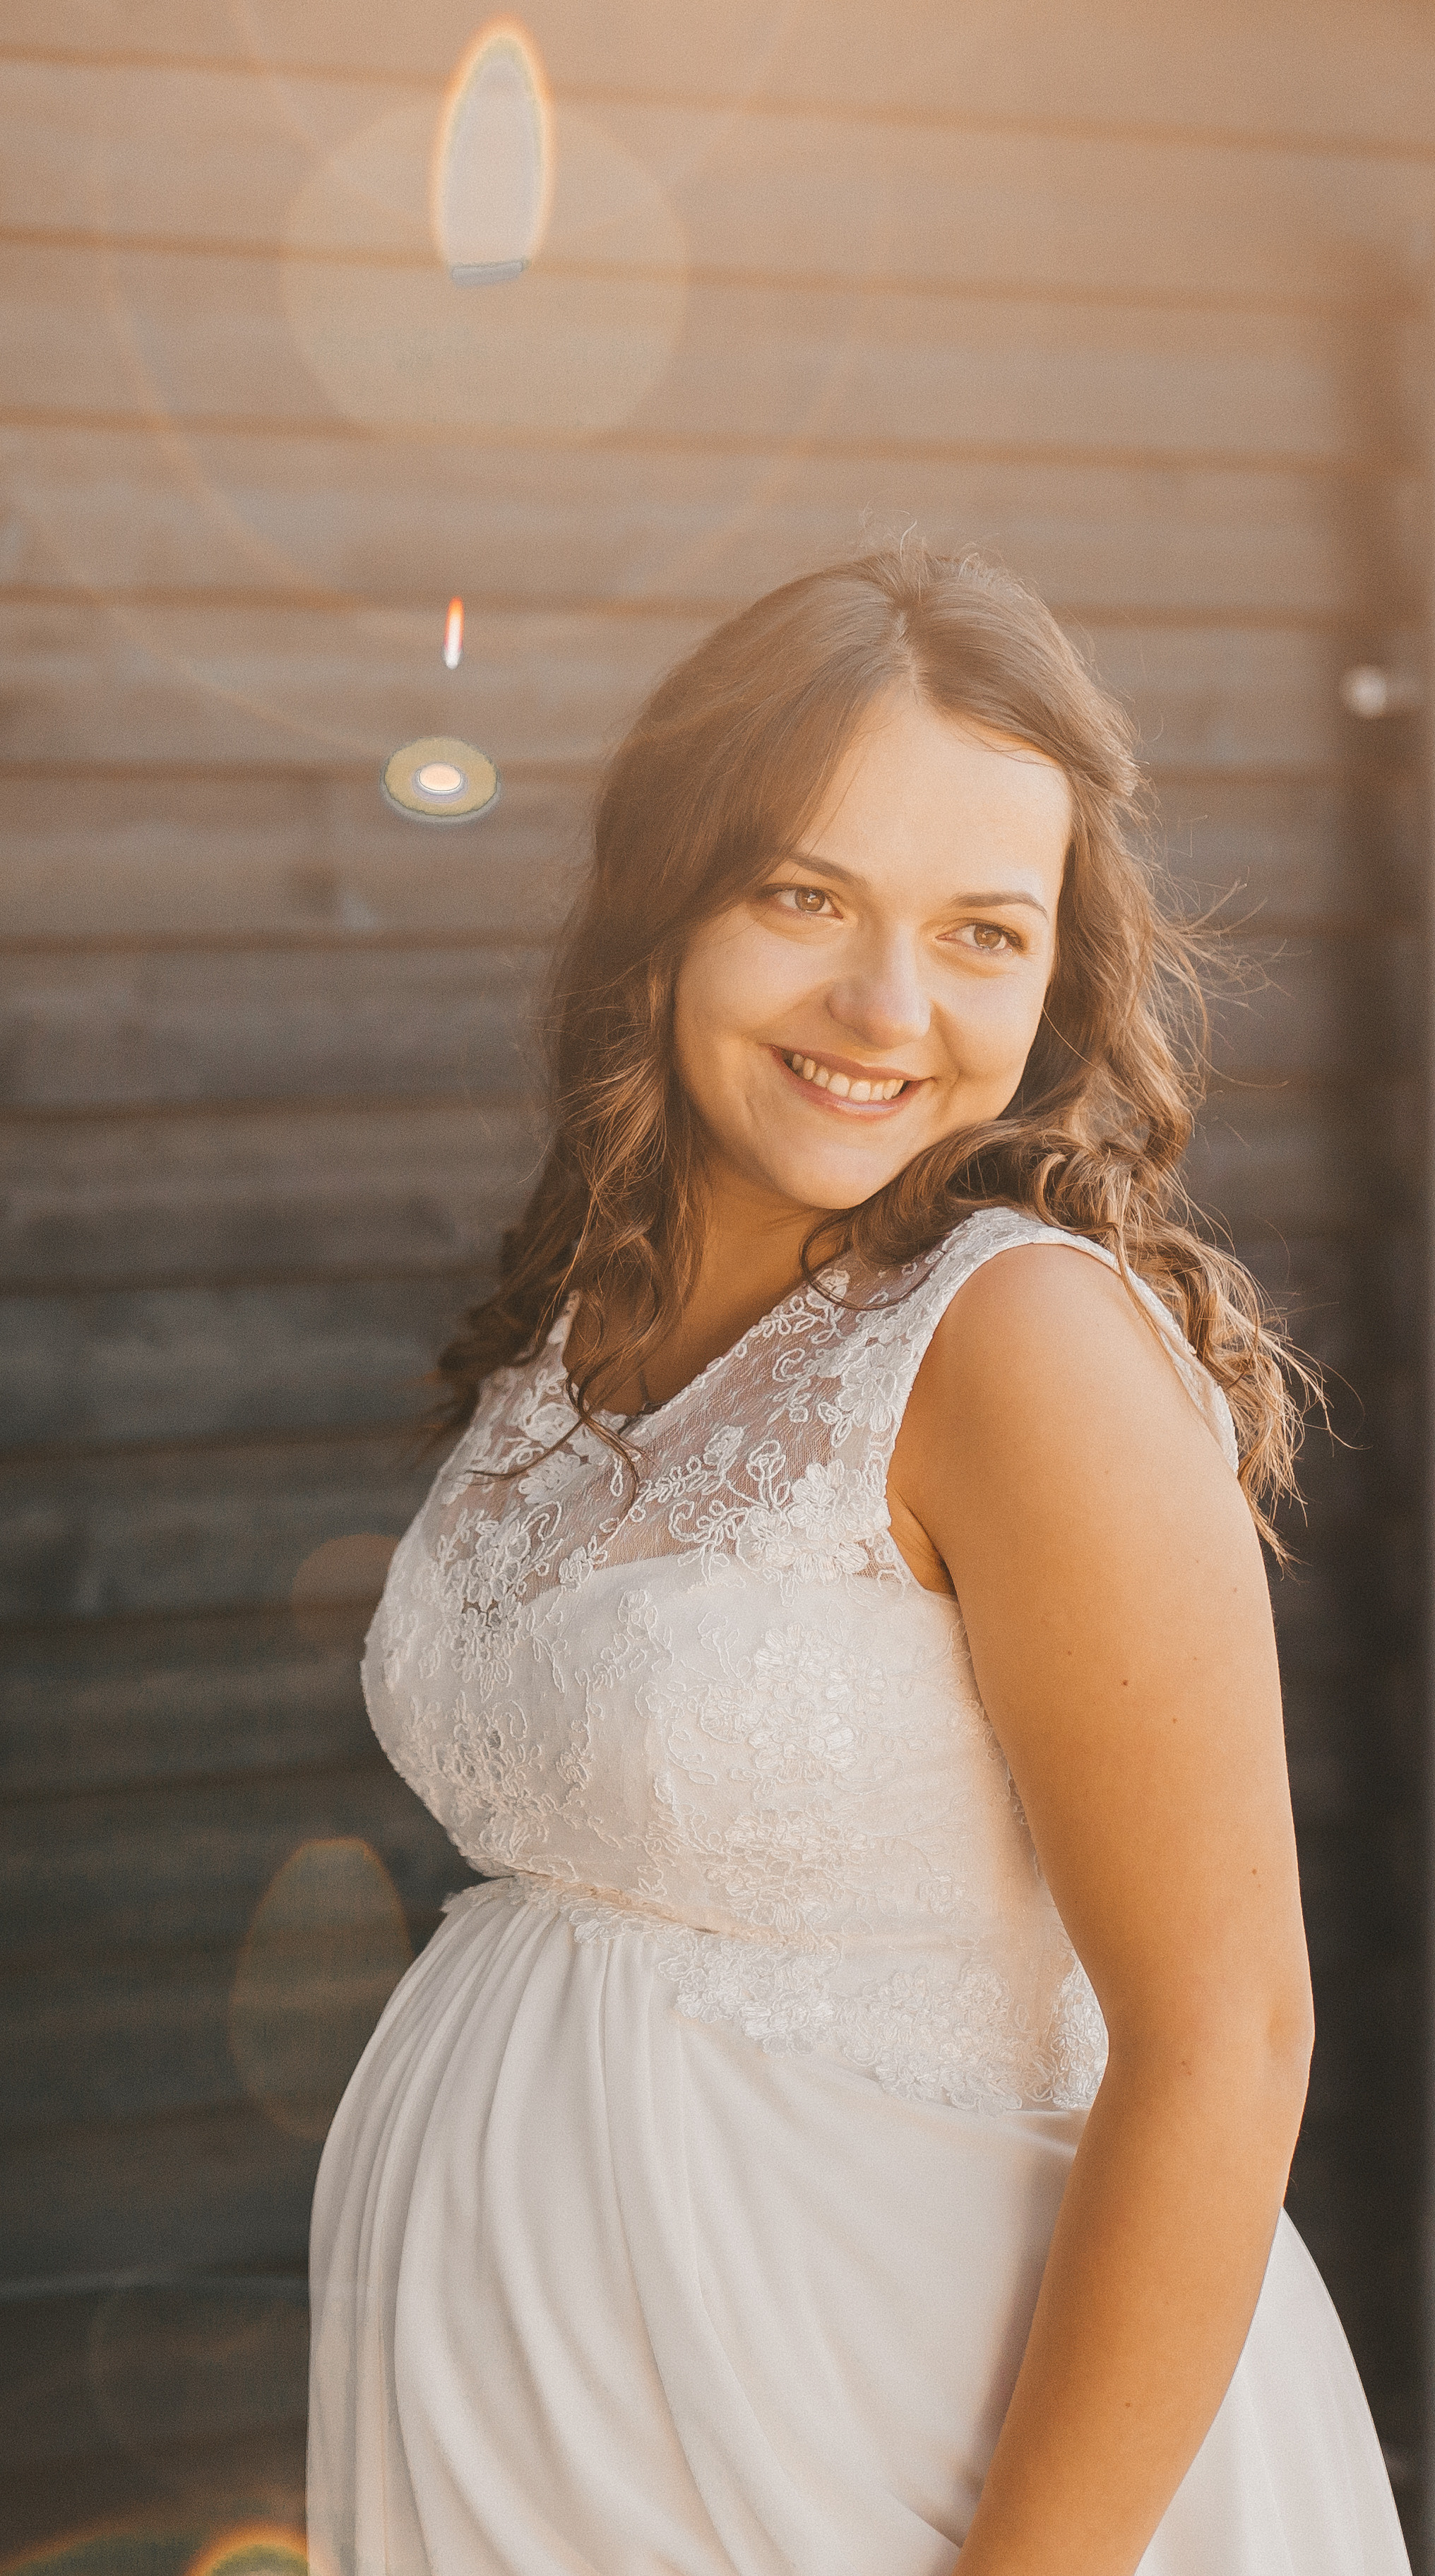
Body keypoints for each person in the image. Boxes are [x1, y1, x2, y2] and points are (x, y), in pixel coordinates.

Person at [306, 544, 1410, 2575]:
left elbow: (1230, 2034)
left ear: (1057, 973)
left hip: (887, 2467)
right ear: (670, 902)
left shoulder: (1021, 1344)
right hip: (554, 2458)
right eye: (805, 896)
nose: (885, 1010)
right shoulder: (591, 1312)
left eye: (982, 934)